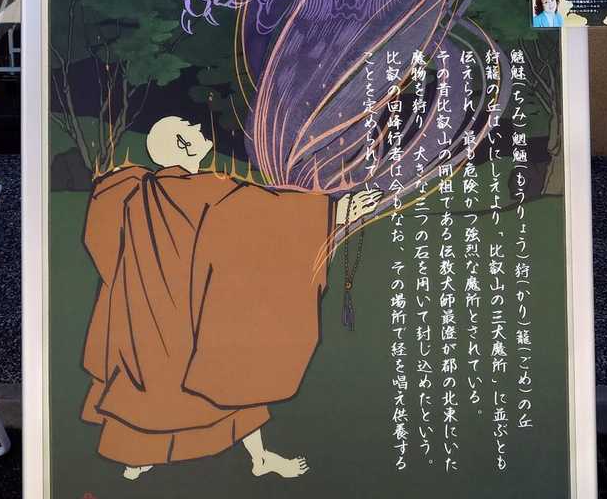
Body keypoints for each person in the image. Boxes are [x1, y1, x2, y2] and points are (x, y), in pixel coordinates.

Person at [80, 115, 381, 482]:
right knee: (228, 380)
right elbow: (264, 217)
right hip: (182, 312)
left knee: (155, 386)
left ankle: (143, 458)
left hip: (149, 318)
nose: (199, 130)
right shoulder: (205, 190)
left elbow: (104, 240)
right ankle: (253, 458)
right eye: (189, 128)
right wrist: (338, 212)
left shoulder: (134, 191)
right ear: (182, 146)